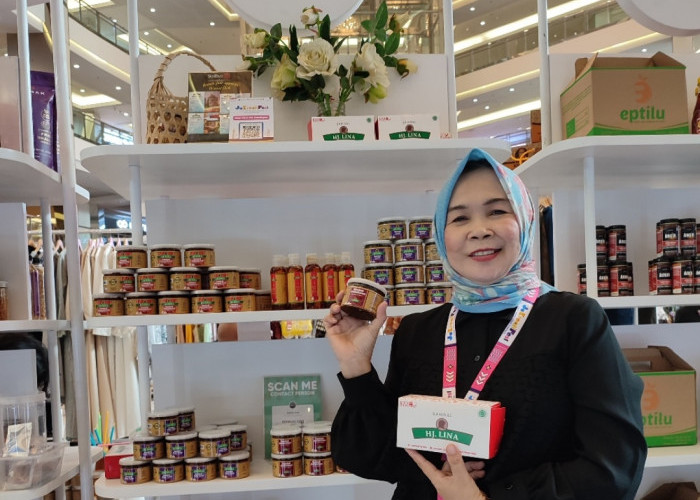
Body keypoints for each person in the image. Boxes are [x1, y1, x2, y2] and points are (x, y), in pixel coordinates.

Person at [324, 148, 647, 500]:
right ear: (441, 236)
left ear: (524, 221)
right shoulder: (418, 331)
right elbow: (376, 458)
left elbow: (614, 466)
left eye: (497, 211)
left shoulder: (574, 320)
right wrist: (356, 367)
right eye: (460, 218)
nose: (479, 231)